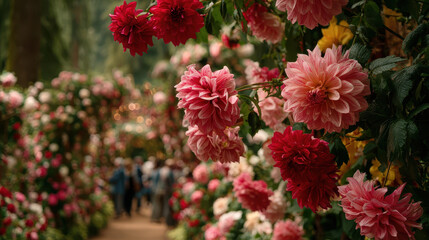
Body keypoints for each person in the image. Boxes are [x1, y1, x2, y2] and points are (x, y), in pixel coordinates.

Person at [151, 159, 174, 223]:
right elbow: (172, 183)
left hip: (157, 190)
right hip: (165, 190)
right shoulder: (169, 171)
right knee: (165, 204)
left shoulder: (159, 171)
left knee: (157, 204)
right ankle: (165, 218)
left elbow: (155, 181)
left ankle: (156, 217)